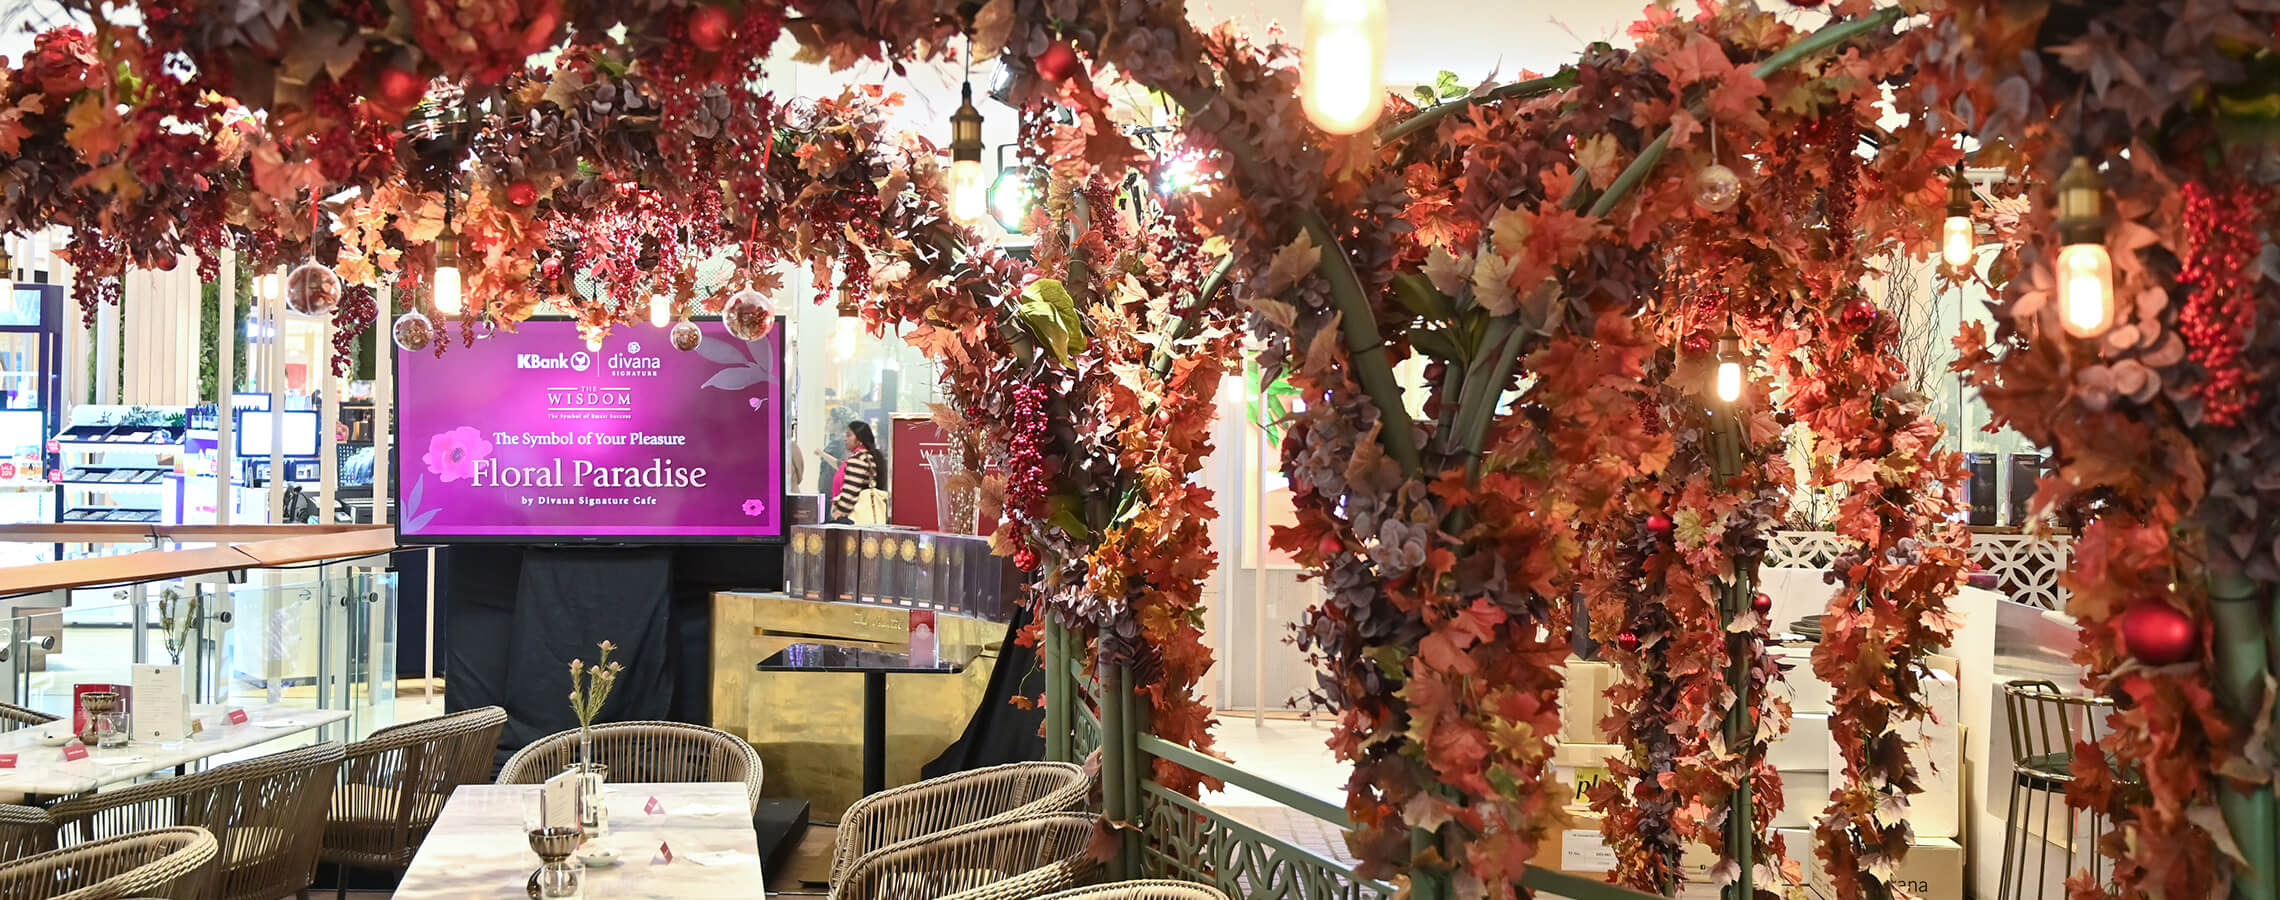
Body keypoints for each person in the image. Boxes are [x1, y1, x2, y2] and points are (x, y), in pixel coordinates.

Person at [829, 420, 884, 523]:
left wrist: (839, 512)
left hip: (852, 517)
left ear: (859, 439)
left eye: (849, 435)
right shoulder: (867, 456)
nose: (845, 438)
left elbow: (851, 489)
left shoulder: (858, 458)